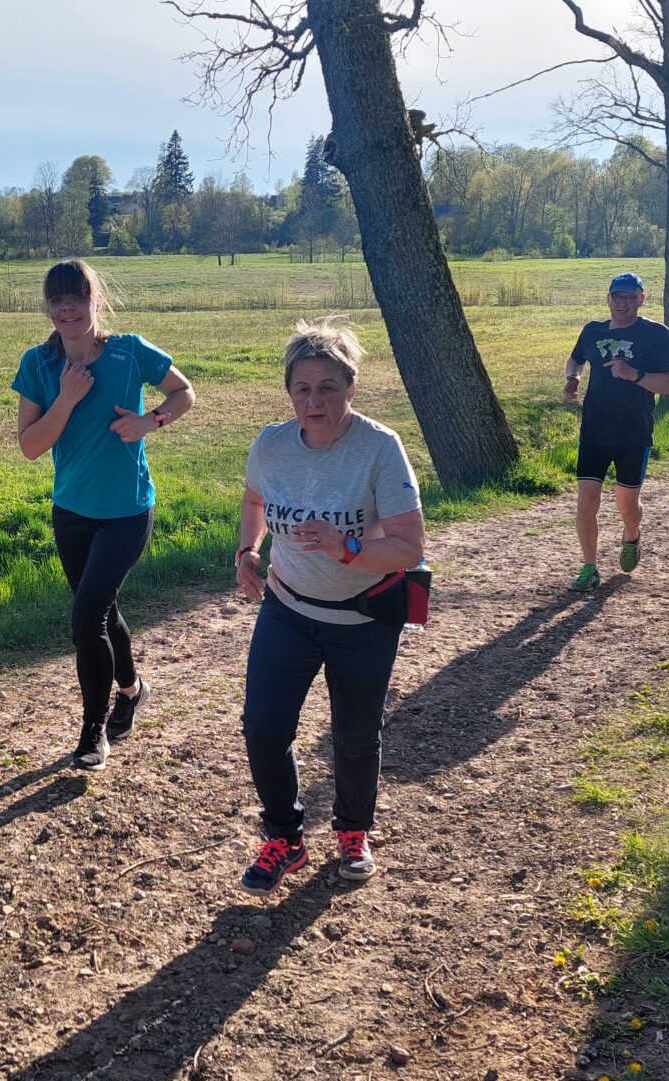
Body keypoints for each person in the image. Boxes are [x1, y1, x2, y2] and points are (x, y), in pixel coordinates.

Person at [231, 317, 426, 896]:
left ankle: (353, 832)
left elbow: (409, 548)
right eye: (303, 389)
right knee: (263, 727)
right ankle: (284, 838)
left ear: (351, 387)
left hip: (362, 619)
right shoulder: (271, 445)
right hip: (287, 608)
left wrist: (348, 548)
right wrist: (247, 550)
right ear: (289, 392)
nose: (314, 401)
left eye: (327, 388)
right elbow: (254, 499)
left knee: (356, 735)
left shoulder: (379, 449)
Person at [14, 259, 195, 770]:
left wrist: (151, 421)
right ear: (48, 307)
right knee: (101, 611)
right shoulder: (38, 364)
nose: (67, 308)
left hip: (126, 512)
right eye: (57, 299)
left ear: (95, 299)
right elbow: (30, 446)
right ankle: (133, 690)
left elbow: (184, 392)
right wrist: (67, 400)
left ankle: (93, 731)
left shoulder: (129, 351)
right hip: (71, 512)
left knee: (86, 617)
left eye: (77, 297)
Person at [563, 272, 669, 592]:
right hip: (594, 431)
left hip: (633, 434)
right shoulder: (593, 330)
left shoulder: (656, 334)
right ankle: (590, 567)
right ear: (608, 299)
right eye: (617, 297)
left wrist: (634, 375)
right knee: (586, 503)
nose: (622, 303)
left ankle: (631, 535)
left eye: (629, 297)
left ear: (641, 300)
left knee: (627, 505)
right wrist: (573, 378)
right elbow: (575, 360)